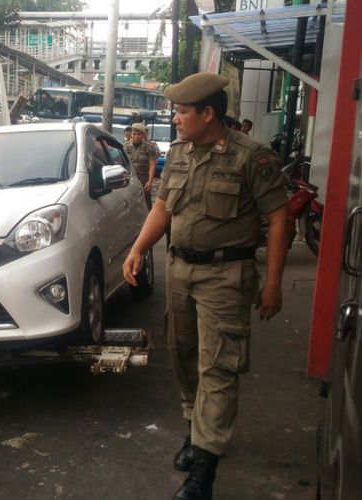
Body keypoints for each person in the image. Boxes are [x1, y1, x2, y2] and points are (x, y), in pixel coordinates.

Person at [122, 72, 290, 500]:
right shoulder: (178, 153)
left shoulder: (252, 157)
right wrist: (139, 247)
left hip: (226, 276)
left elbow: (279, 219)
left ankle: (204, 470)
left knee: (218, 366)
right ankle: (195, 432)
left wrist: (272, 282)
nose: (175, 119)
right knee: (183, 355)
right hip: (180, 270)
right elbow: (162, 206)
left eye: (181, 112)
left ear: (208, 113)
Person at [123, 122, 157, 210]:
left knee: (146, 202)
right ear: (131, 134)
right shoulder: (125, 146)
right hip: (129, 179)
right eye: (134, 134)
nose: (136, 137)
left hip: (143, 178)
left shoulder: (149, 147)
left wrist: (150, 181)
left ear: (143, 135)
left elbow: (152, 163)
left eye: (139, 134)